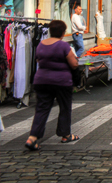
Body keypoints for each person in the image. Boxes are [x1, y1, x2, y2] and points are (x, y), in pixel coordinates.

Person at [25, 20, 79, 151]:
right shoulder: (63, 46)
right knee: (65, 107)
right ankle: (65, 134)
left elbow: (38, 60)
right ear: (62, 32)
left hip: (42, 80)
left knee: (42, 108)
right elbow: (74, 64)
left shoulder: (41, 45)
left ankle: (33, 137)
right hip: (61, 81)